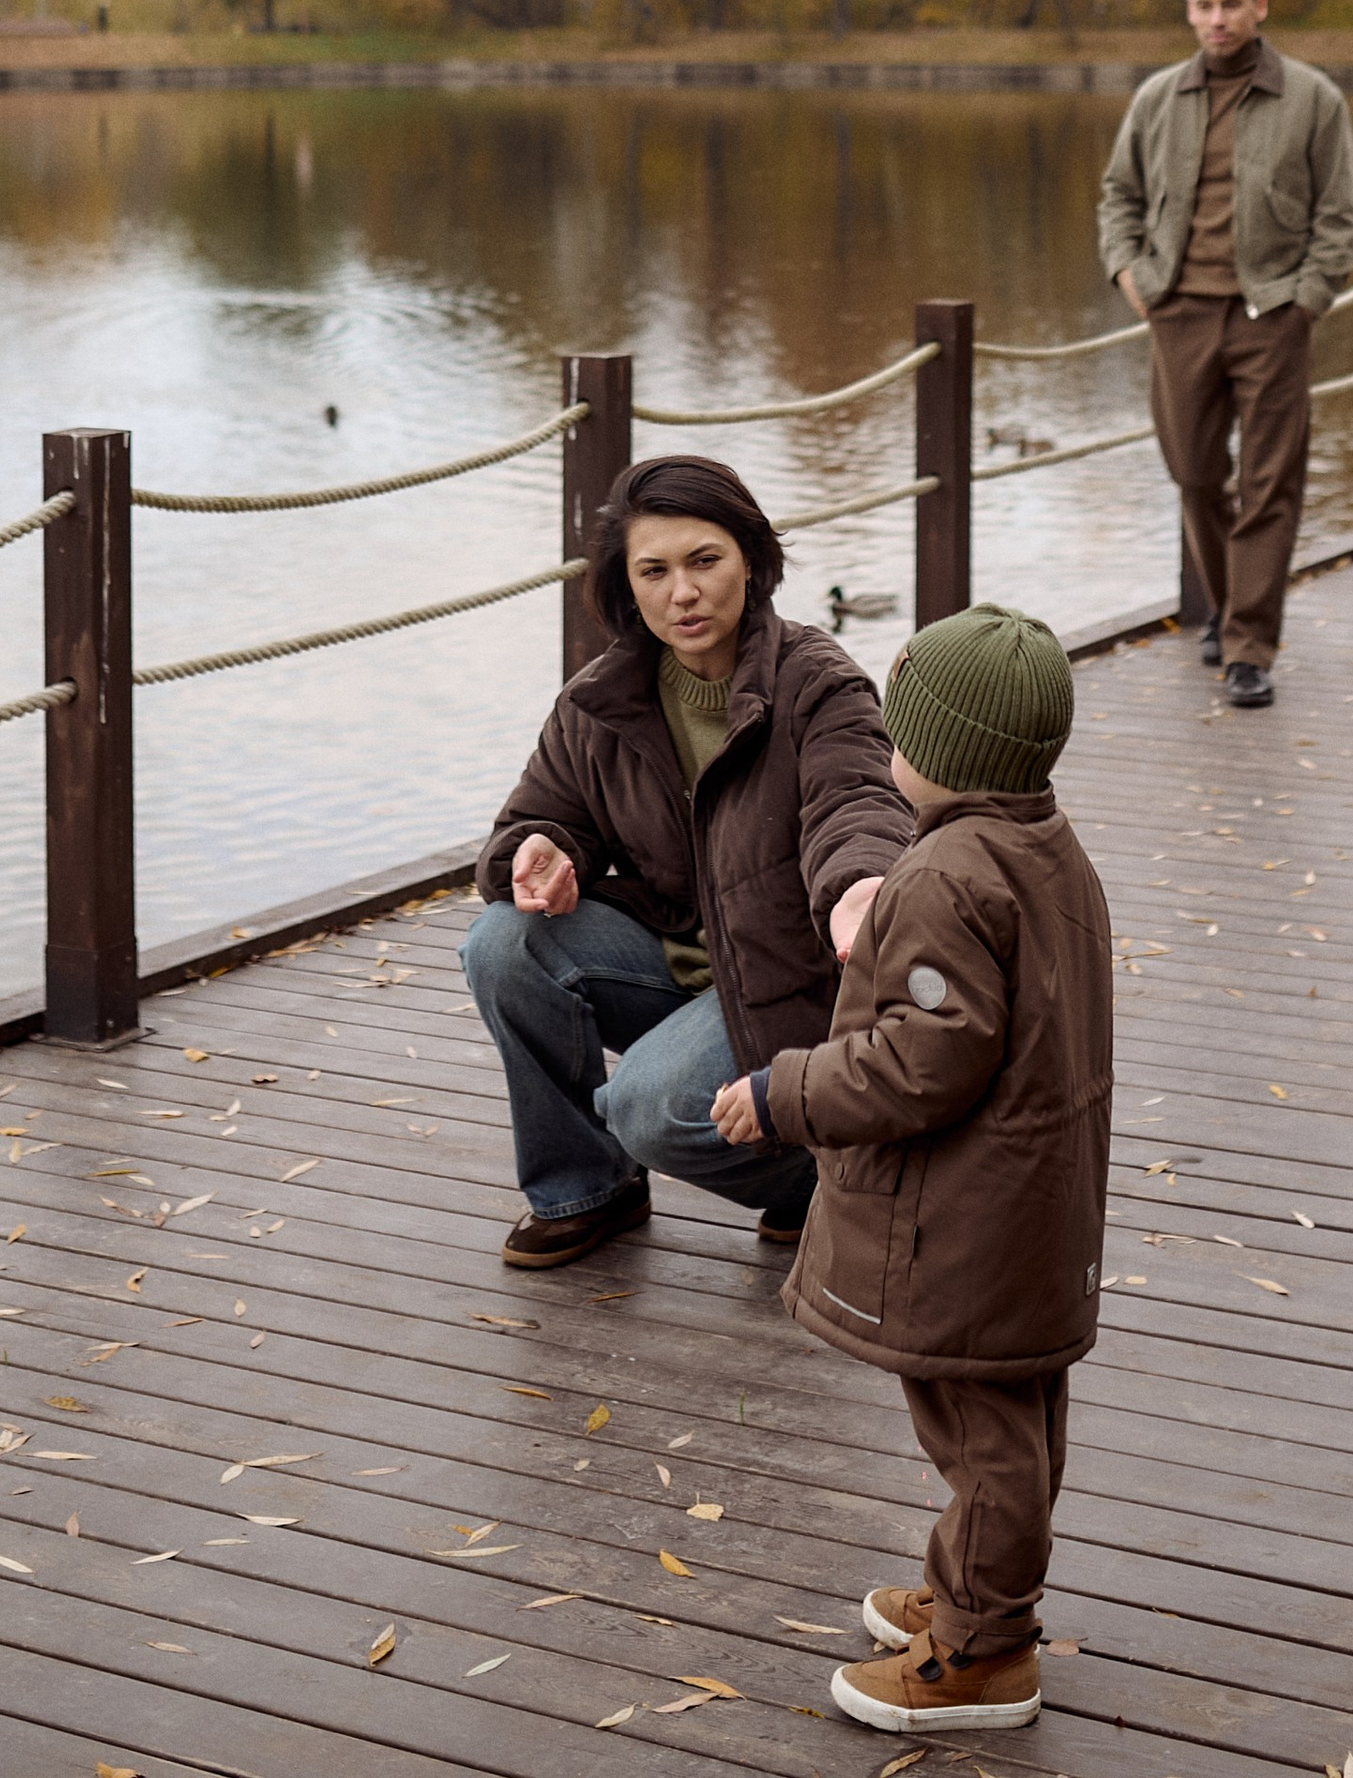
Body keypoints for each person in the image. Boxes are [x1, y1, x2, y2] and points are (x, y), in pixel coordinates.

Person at [711, 601, 1112, 1737]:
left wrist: (786, 1089)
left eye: (900, 729)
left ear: (937, 752)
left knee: (979, 1433)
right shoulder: (1043, 842)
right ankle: (975, 1586)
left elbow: (921, 1060)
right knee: (1016, 1417)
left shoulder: (943, 876)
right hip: (1033, 1205)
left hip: (967, 1218)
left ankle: (986, 1651)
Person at [463, 452, 913, 1270]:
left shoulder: (818, 683)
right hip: (679, 966)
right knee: (501, 943)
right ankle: (586, 1189)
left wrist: (860, 885)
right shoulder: (599, 700)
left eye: (705, 560)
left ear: (751, 558)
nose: (684, 592)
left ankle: (817, 1175)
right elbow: (534, 819)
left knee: (650, 1106)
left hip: (791, 980)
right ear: (625, 585)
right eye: (655, 570)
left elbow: (859, 802)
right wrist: (536, 853)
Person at [1095, 0, 1353, 709]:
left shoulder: (1312, 99)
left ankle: (1248, 645)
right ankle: (1225, 603)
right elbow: (1119, 196)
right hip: (1178, 313)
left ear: (1260, 7)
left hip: (1272, 314)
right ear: (1190, 11)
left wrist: (1307, 298)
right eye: (1204, 5)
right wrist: (1131, 278)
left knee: (1271, 484)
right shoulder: (1157, 99)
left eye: (1231, 5)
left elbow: (1338, 216)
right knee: (1194, 472)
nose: (1218, 19)